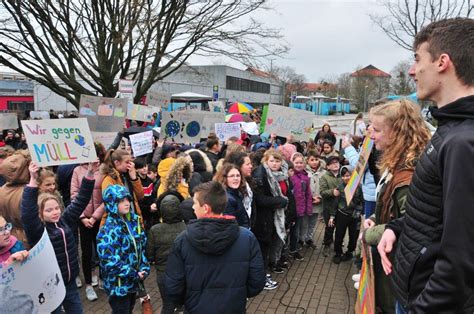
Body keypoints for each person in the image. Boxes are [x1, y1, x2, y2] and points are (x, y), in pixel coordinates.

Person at [377, 18, 474, 313]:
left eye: (418, 59)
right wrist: (397, 227)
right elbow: (438, 217)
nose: (411, 70)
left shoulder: (462, 142)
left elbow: (461, 259)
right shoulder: (450, 130)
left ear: (442, 62)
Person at [362, 99, 430, 313]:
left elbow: (415, 225)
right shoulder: (400, 164)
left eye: (377, 129)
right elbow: (392, 209)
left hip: (401, 274)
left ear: (398, 133)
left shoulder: (407, 178)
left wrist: (370, 233)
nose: (371, 134)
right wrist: (376, 215)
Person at [164, 181, 265, 313]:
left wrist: (191, 300)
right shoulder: (247, 238)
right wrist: (238, 295)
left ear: (206, 208)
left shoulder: (182, 241)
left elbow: (173, 287)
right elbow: (256, 282)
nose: (193, 207)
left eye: (195, 203)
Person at [21, 161, 95, 314]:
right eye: (49, 210)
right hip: (50, 285)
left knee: (76, 310)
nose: (54, 212)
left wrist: (90, 172)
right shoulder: (38, 231)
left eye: (56, 208)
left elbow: (81, 200)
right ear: (40, 214)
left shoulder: (65, 220)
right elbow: (27, 213)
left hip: (69, 282)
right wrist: (33, 179)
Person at [97, 185, 150, 314]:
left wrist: (144, 267)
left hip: (133, 281)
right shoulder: (108, 231)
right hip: (119, 286)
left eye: (127, 199)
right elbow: (110, 262)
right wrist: (133, 274)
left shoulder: (133, 222)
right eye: (121, 201)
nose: (126, 203)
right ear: (111, 204)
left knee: (129, 309)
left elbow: (141, 247)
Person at [71, 143, 106, 301]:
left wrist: (95, 217)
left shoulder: (104, 170)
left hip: (100, 218)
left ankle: (102, 278)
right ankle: (88, 285)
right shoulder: (77, 170)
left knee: (102, 249)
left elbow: (106, 197)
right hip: (83, 219)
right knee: (86, 253)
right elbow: (74, 195)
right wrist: (83, 217)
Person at [146, 191, 186, 314]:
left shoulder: (155, 230)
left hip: (163, 274)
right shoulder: (187, 228)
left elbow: (149, 255)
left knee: (168, 305)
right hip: (183, 272)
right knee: (184, 305)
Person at [100, 149, 144, 225]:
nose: (130, 165)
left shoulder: (128, 175)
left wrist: (134, 179)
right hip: (118, 224)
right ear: (116, 162)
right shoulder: (108, 179)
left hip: (133, 219)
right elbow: (111, 204)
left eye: (131, 162)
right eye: (127, 162)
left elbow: (140, 196)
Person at [332, 166, 363, 264]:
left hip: (354, 216)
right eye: (344, 176)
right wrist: (332, 216)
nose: (347, 178)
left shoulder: (358, 187)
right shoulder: (340, 187)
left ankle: (350, 251)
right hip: (342, 215)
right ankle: (338, 253)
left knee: (353, 235)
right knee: (339, 235)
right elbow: (335, 203)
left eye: (349, 175)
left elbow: (362, 201)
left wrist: (360, 212)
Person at [288, 152, 312, 261]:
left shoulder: (305, 177)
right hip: (290, 210)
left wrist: (308, 208)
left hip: (300, 210)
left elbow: (307, 194)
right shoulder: (290, 176)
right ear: (292, 163)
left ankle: (293, 250)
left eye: (301, 162)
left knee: (296, 231)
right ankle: (285, 252)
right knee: (288, 231)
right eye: (296, 162)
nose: (298, 165)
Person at [215, 163, 249, 228]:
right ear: (224, 178)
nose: (236, 178)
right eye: (232, 176)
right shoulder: (227, 199)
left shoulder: (237, 193)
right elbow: (230, 225)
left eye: (238, 176)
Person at [319, 155, 341, 257]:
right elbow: (322, 192)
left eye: (337, 162)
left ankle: (338, 245)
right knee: (329, 227)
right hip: (329, 207)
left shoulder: (343, 175)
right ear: (328, 166)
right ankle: (327, 244)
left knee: (340, 228)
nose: (336, 164)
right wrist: (333, 192)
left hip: (341, 207)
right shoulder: (324, 177)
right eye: (332, 163)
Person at [303, 150, 325, 248]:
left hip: (318, 202)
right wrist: (310, 198)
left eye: (316, 159)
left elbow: (325, 187)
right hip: (306, 202)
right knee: (304, 223)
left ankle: (309, 238)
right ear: (307, 161)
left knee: (312, 222)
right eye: (312, 160)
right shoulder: (304, 172)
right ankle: (301, 239)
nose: (314, 162)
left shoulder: (324, 173)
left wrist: (320, 197)